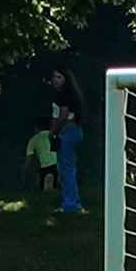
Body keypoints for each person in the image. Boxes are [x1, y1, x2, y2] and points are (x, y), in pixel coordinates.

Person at [47, 67, 85, 213]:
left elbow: (62, 116)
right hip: (75, 131)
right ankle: (73, 199)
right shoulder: (73, 95)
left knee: (65, 169)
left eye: (59, 77)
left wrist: (53, 131)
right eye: (54, 77)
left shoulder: (63, 95)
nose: (55, 81)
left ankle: (70, 204)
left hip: (67, 132)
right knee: (68, 168)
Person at [23, 116, 58, 191]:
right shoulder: (55, 135)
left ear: (37, 128)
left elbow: (29, 160)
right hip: (60, 164)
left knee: (46, 190)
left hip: (46, 168)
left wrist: (25, 176)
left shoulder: (34, 139)